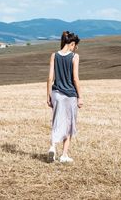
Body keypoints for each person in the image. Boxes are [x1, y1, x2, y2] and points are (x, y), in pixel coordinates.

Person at [46, 31, 83, 163]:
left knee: (56, 121)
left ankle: (52, 147)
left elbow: (50, 78)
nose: (75, 48)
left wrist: (48, 96)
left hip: (56, 94)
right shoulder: (74, 56)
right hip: (69, 95)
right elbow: (75, 78)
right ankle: (64, 155)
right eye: (75, 46)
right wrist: (80, 97)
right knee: (69, 124)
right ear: (72, 44)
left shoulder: (54, 55)